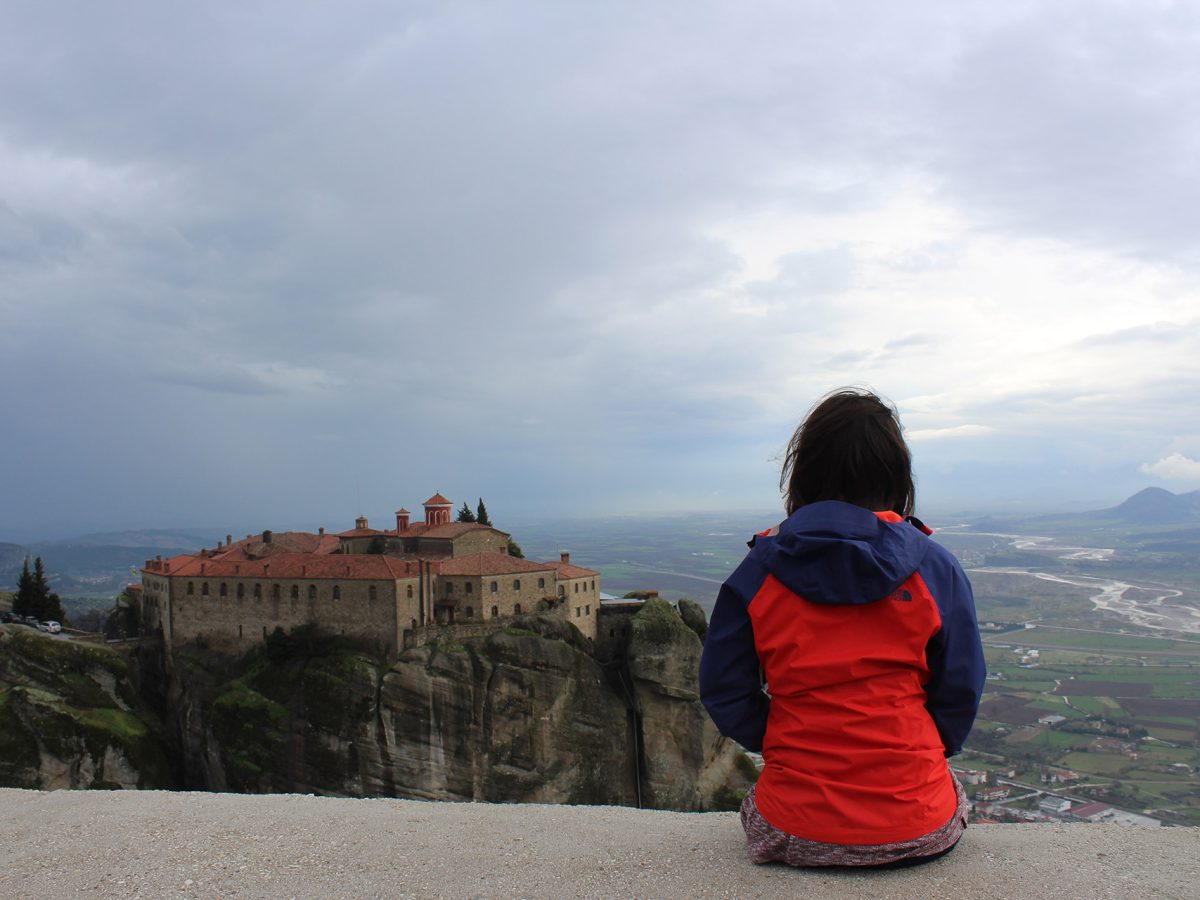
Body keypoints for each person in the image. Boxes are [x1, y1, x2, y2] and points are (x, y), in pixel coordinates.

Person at [699, 388, 985, 868]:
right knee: (950, 793)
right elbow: (961, 687)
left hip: (793, 830)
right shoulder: (935, 568)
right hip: (918, 829)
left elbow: (724, 690)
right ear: (896, 474)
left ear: (803, 472)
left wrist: (784, 741)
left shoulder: (757, 574)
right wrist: (920, 753)